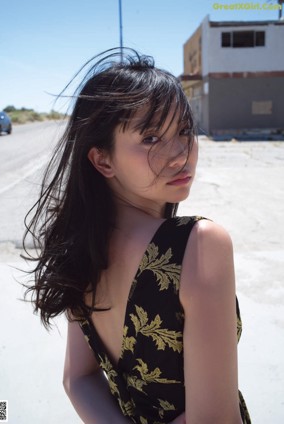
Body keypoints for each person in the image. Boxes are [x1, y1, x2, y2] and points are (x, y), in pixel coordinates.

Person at [23, 48, 251, 424]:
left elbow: (77, 380)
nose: (180, 154)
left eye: (183, 131)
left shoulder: (81, 248)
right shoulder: (199, 245)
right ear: (103, 160)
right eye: (150, 138)